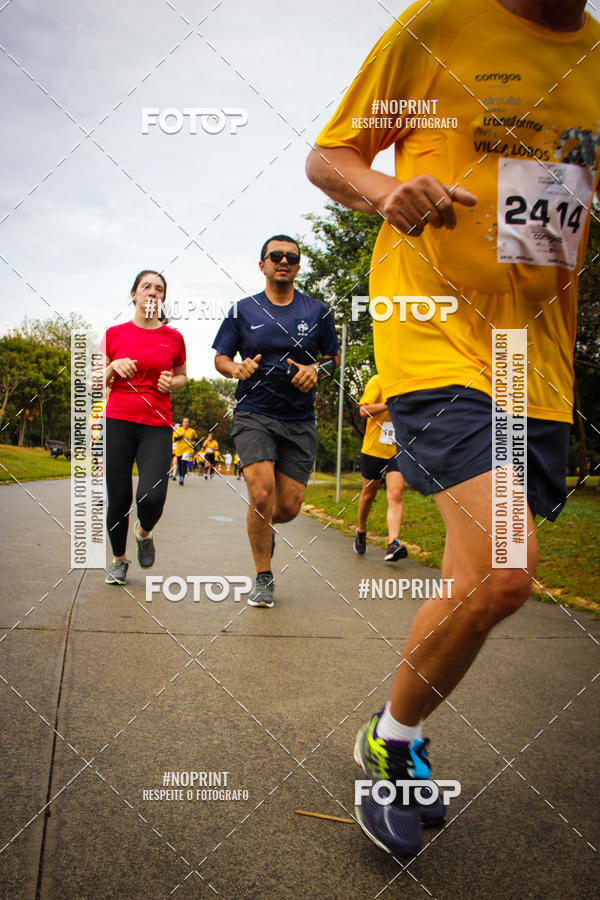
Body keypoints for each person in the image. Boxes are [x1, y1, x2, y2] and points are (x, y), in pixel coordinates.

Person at [307, 0, 600, 855]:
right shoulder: (440, 21)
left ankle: (389, 731)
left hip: (533, 362)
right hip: (432, 331)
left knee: (484, 579)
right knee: (508, 571)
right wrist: (386, 190)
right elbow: (331, 156)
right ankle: (393, 747)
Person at [213, 234, 339, 607]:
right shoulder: (243, 310)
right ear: (262, 264)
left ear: (298, 267)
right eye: (275, 256)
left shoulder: (317, 312)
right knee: (261, 494)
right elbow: (221, 357)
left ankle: (264, 529)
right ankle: (263, 576)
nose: (283, 261)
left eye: (291, 257)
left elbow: (332, 357)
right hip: (255, 413)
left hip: (299, 418)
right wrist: (236, 367)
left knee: (286, 508)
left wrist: (317, 370)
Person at [101, 270, 187, 584]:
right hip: (118, 421)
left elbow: (182, 376)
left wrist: (172, 382)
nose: (152, 292)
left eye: (159, 288)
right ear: (134, 294)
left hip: (157, 424)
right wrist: (112, 366)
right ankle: (119, 560)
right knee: (119, 497)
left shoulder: (173, 338)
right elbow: (94, 381)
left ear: (163, 298)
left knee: (152, 497)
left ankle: (144, 532)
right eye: (146, 286)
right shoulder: (114, 334)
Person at [354, 373, 407, 562]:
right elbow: (363, 411)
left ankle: (393, 543)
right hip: (374, 448)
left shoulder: (409, 385)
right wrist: (388, 405)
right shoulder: (378, 381)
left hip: (398, 448)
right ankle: (361, 529)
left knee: (396, 493)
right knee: (368, 495)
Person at [172, 417, 197, 485]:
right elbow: (175, 439)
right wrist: (181, 435)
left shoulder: (192, 431)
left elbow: (195, 438)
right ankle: (180, 476)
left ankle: (182, 478)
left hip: (187, 450)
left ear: (189, 423)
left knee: (184, 463)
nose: (186, 423)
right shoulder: (178, 430)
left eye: (187, 422)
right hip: (179, 450)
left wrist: (194, 442)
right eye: (184, 422)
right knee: (180, 464)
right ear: (182, 423)